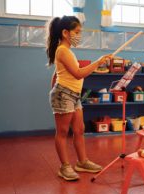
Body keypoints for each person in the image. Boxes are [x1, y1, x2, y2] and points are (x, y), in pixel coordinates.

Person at [45, 16, 112, 181]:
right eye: (77, 32)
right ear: (65, 33)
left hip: (72, 95)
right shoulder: (62, 50)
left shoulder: (67, 52)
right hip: (64, 95)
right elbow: (78, 73)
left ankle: (82, 162)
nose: (79, 35)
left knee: (79, 129)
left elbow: (57, 74)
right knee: (62, 132)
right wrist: (97, 63)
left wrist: (53, 88)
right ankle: (64, 167)